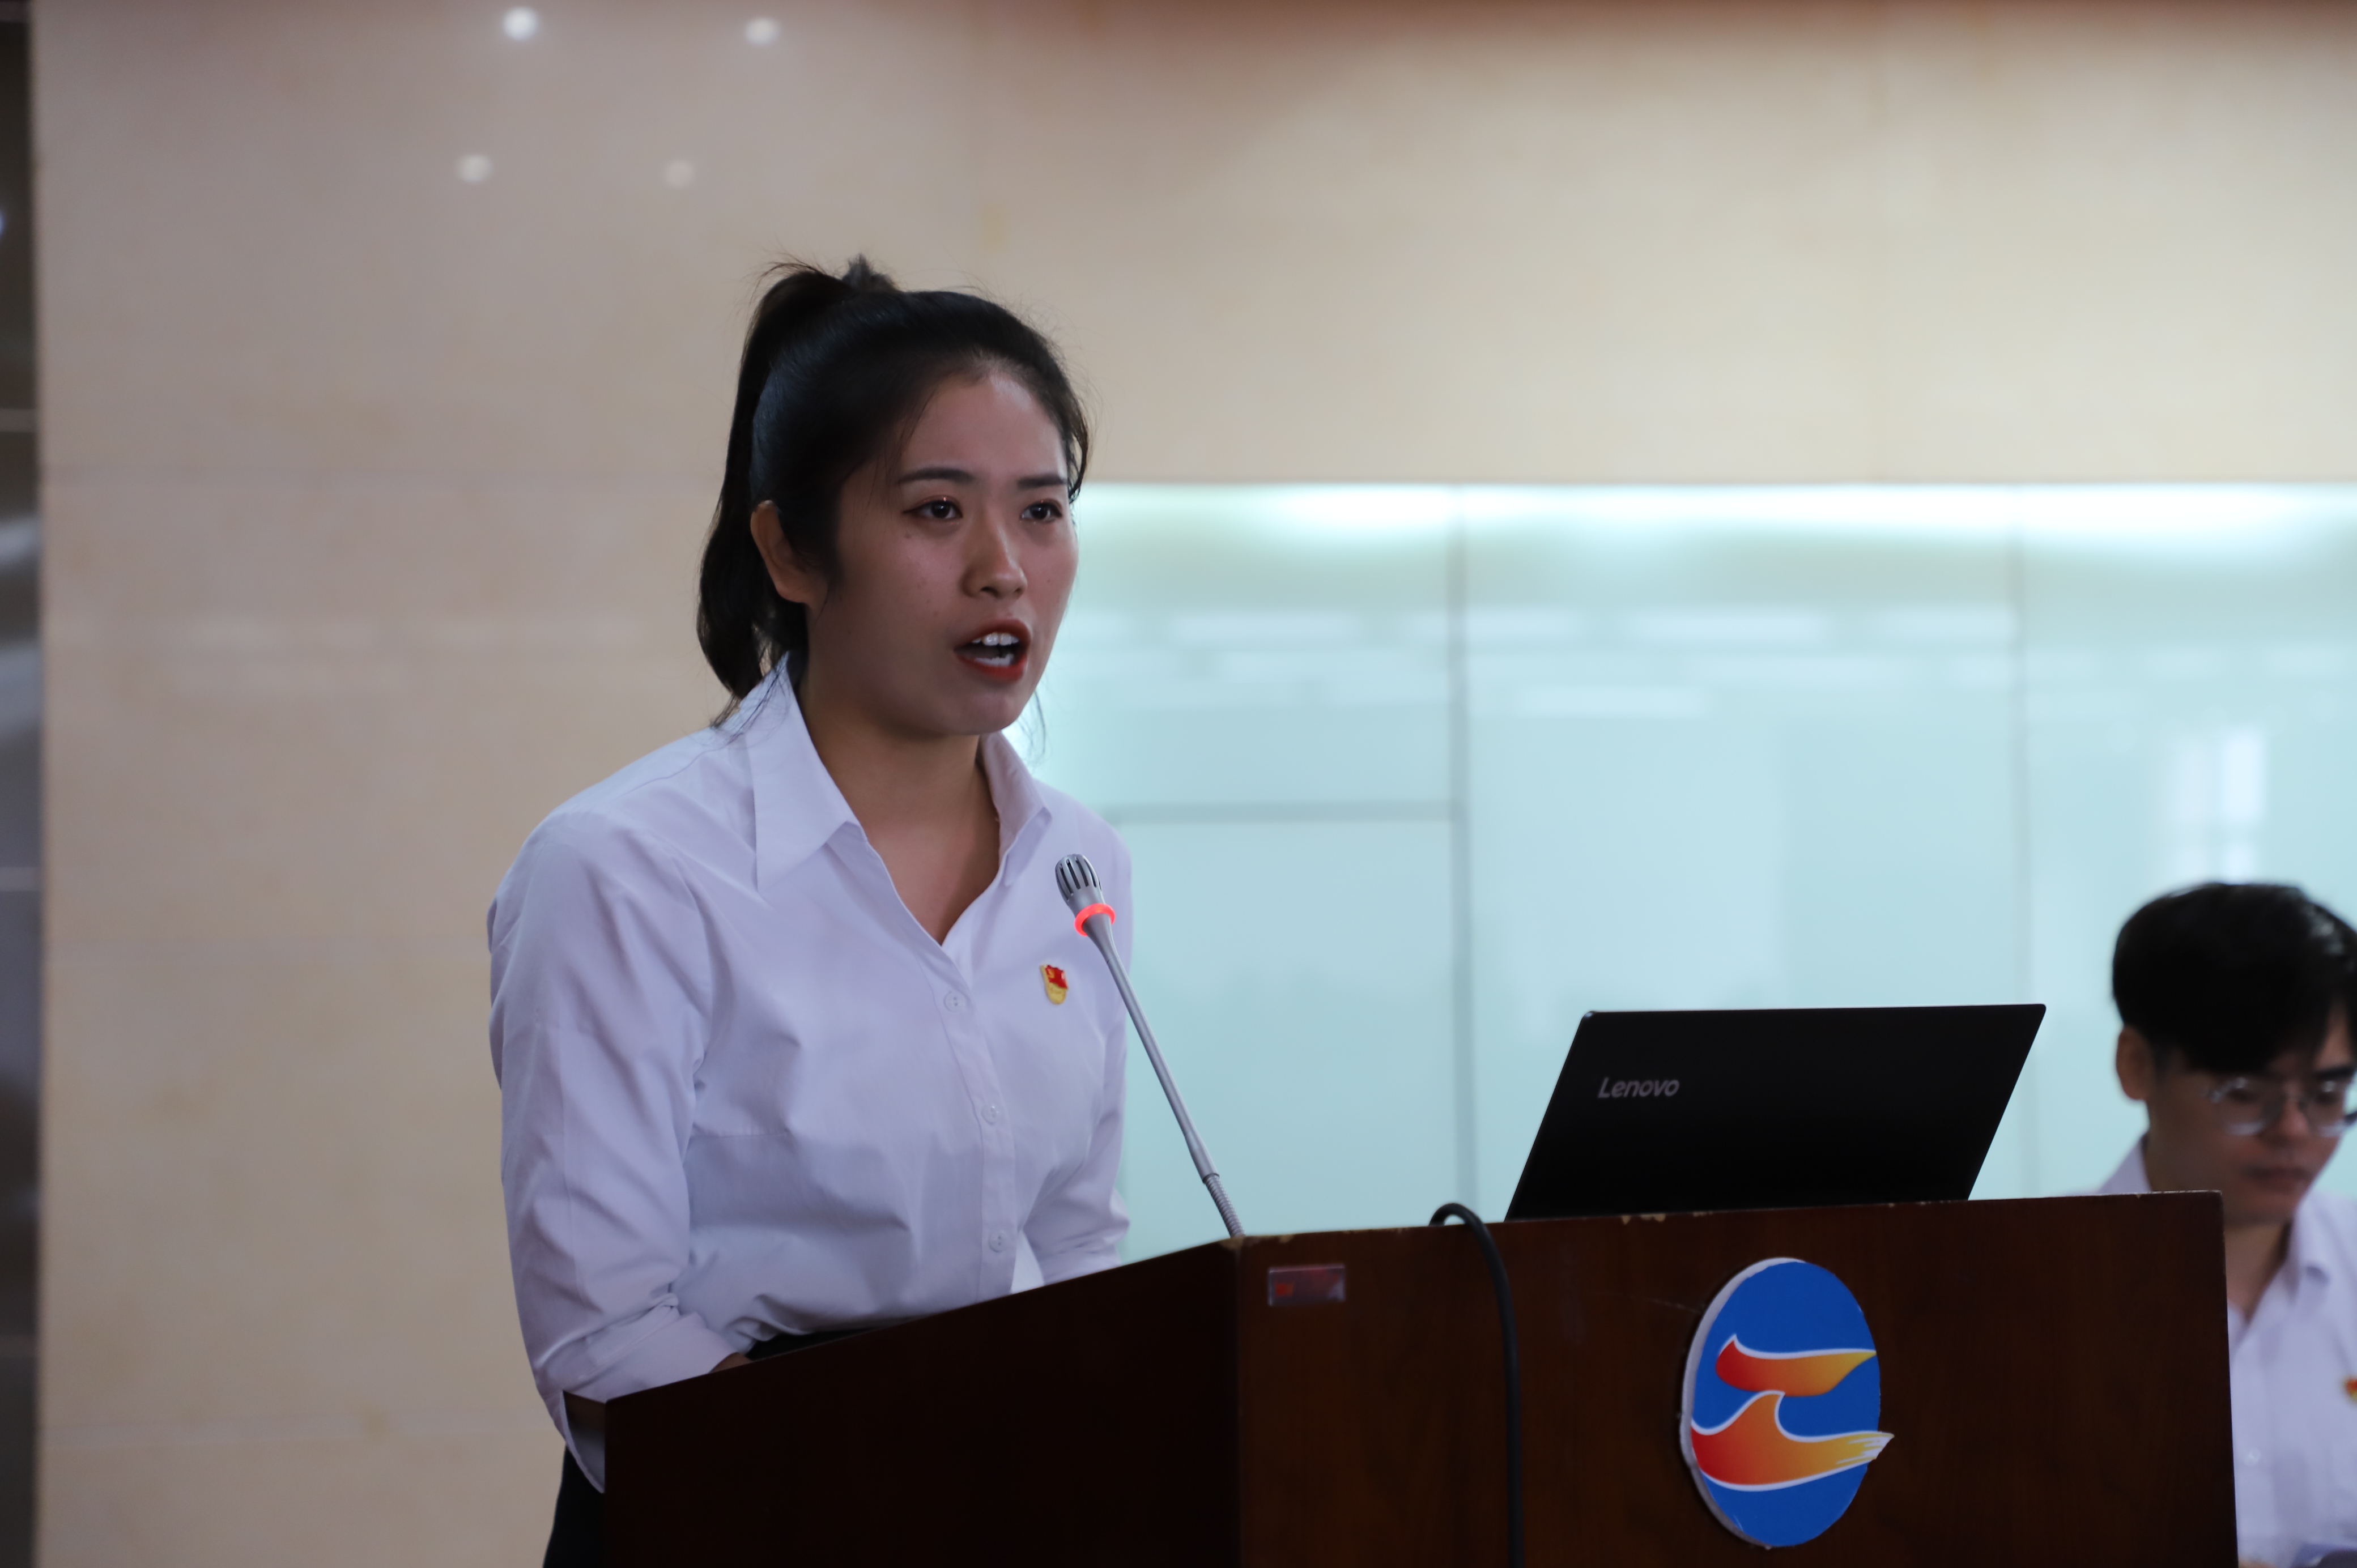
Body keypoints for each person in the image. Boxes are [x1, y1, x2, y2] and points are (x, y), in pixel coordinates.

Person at [487, 259, 1133, 1566]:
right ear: (789, 550)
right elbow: (605, 1333)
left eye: (1042, 510)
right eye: (937, 510)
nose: (1003, 570)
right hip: (733, 1509)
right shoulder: (626, 867)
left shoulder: (1078, 861)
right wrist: (898, 1486)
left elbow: (1076, 1245)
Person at [2098, 881, 2357, 1568]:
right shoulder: (2024, 1287)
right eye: (2244, 1093)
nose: (2292, 1130)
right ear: (2135, 1065)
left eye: (2326, 1093)